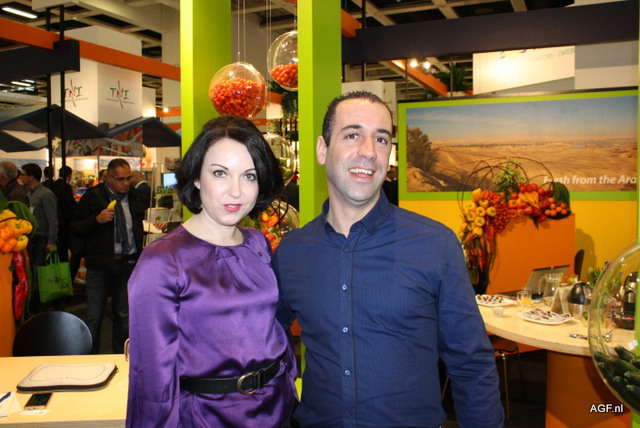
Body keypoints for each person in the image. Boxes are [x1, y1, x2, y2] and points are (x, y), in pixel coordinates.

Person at [273, 91, 504, 427]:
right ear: (323, 150)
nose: (369, 151)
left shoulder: (435, 245)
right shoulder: (292, 251)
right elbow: (265, 343)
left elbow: (471, 365)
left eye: (381, 139)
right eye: (352, 135)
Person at [126, 116, 297, 428]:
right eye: (220, 173)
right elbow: (150, 376)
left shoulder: (257, 243)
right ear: (196, 178)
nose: (236, 192)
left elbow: (271, 326)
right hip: (209, 416)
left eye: (249, 176)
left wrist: (289, 380)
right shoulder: (163, 260)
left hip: (277, 407)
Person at [70, 158, 146, 354]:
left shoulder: (135, 197)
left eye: (128, 178)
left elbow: (139, 228)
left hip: (128, 263)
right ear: (108, 177)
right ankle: (90, 359)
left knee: (123, 316)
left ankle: (121, 358)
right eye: (120, 179)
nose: (125, 183)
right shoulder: (93, 198)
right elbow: (75, 227)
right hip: (100, 265)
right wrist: (96, 220)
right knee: (94, 317)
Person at [21, 163, 59, 315]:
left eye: (23, 174)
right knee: (33, 276)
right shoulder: (28, 194)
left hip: (43, 241)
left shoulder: (46, 194)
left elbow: (53, 220)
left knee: (39, 277)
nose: (21, 177)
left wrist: (52, 241)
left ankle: (40, 309)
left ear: (31, 177)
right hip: (32, 242)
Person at [52, 165, 77, 263]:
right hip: (64, 221)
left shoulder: (53, 185)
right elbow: (70, 205)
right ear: (69, 175)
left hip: (55, 219)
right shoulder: (66, 187)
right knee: (63, 247)